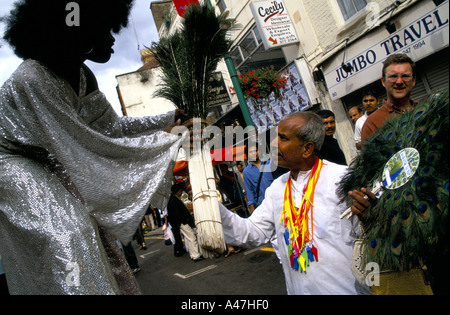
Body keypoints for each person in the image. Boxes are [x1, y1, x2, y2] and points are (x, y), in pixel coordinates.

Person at [0, 0, 189, 295]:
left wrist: (168, 118)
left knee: (100, 237)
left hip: (48, 157)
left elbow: (112, 127)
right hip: (10, 161)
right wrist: (163, 140)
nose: (113, 38)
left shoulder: (84, 77)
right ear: (78, 33)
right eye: (105, 29)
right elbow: (83, 143)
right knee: (71, 231)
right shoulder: (33, 77)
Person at [219, 112, 370, 295]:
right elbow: (251, 231)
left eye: (282, 138)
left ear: (307, 149)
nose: (273, 144)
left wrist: (371, 217)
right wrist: (210, 205)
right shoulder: (277, 188)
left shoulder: (343, 179)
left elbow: (372, 236)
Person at [361, 54, 417, 145]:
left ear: (413, 80)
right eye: (393, 77)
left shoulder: (428, 109)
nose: (399, 82)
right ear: (383, 81)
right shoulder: (372, 124)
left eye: (405, 76)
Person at [167, 183, 204, 262]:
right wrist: (184, 221)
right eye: (180, 191)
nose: (181, 193)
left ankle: (193, 255)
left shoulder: (174, 199)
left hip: (181, 223)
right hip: (182, 223)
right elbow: (177, 214)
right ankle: (195, 256)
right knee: (192, 238)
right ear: (177, 191)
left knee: (190, 238)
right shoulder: (174, 200)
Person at [243, 146, 275, 214]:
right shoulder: (246, 172)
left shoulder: (269, 164)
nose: (254, 153)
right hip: (262, 206)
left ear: (259, 151)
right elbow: (249, 192)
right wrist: (253, 212)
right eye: (251, 152)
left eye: (255, 150)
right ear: (248, 155)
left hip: (277, 199)